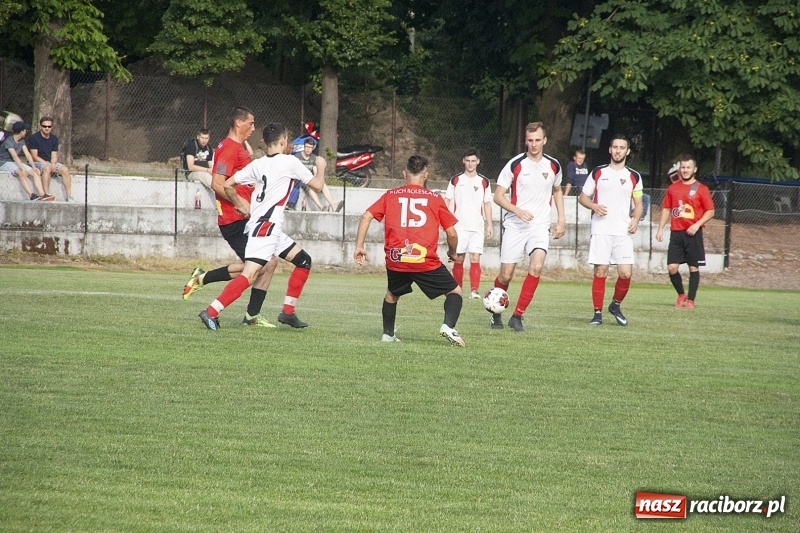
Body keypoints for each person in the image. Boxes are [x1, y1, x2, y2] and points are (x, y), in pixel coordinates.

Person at [198, 122, 324, 330]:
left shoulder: (258, 164)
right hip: (266, 228)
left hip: (267, 226)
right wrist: (321, 167)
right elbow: (318, 186)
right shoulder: (289, 162)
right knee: (250, 274)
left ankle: (287, 312)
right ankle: (211, 311)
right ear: (283, 141)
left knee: (303, 261)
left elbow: (228, 184)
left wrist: (238, 203)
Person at [183, 106, 282, 328]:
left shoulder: (235, 147)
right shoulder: (228, 148)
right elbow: (218, 183)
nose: (253, 128)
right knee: (264, 264)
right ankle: (238, 314)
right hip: (235, 220)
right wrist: (239, 203)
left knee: (265, 263)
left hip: (246, 219)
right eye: (251, 123)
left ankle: (204, 279)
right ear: (239, 123)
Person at [353, 154, 466, 347]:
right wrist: (452, 253)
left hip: (397, 259)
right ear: (425, 175)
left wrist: (359, 246)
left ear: (405, 174)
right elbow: (452, 233)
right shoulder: (435, 199)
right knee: (455, 291)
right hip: (424, 260)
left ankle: (387, 335)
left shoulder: (390, 195)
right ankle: (448, 326)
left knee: (391, 294)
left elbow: (366, 216)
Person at [490, 122, 566, 332]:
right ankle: (495, 311)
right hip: (515, 225)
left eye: (538, 140)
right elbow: (498, 196)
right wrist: (517, 210)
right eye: (530, 140)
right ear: (526, 140)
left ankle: (517, 316)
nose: (534, 144)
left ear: (545, 140)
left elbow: (557, 190)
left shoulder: (553, 165)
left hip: (540, 225)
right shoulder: (515, 164)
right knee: (506, 275)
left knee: (537, 266)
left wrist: (561, 219)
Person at [578, 134, 644, 326]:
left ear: (627, 151)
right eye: (615, 147)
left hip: (623, 231)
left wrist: (636, 220)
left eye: (622, 148)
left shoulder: (634, 176)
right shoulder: (598, 173)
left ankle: (615, 305)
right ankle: (597, 314)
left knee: (625, 273)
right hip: (601, 229)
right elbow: (583, 197)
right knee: (601, 270)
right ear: (609, 149)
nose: (618, 151)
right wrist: (594, 206)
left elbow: (638, 204)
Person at [656, 154, 715, 309]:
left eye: (688, 167)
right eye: (683, 167)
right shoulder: (673, 188)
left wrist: (697, 225)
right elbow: (666, 208)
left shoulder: (701, 189)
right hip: (676, 233)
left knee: (693, 267)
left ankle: (691, 300)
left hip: (693, 233)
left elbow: (710, 211)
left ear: (694, 169)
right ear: (679, 169)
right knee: (672, 267)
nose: (685, 170)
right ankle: (681, 294)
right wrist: (660, 228)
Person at [444, 147, 493, 300]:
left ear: (478, 162)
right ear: (463, 161)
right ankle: (458, 290)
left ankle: (474, 291)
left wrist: (489, 224)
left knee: (475, 258)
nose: (470, 164)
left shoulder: (484, 181)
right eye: (468, 161)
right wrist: (444, 221)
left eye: (473, 161)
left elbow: (487, 203)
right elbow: (447, 201)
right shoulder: (456, 180)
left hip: (477, 226)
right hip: (459, 227)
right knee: (458, 259)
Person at [0, 121, 50, 201]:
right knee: (21, 172)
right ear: (22, 131)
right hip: (4, 162)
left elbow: (27, 153)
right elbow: (15, 157)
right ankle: (31, 195)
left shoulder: (21, 141)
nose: (26, 131)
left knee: (35, 173)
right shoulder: (9, 141)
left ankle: (42, 194)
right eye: (25, 130)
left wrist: (34, 167)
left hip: (13, 162)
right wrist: (23, 169)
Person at [28, 116, 74, 201]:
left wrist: (53, 164)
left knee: (65, 169)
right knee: (47, 167)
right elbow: (34, 156)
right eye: (44, 126)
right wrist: (47, 164)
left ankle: (69, 196)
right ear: (41, 126)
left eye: (49, 126)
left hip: (49, 162)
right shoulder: (34, 138)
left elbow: (54, 155)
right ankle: (46, 194)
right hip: (37, 162)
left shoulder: (54, 139)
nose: (47, 128)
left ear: (51, 127)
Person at [291, 136, 341, 211]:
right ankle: (321, 207)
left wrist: (317, 181)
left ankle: (333, 205)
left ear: (313, 148)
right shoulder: (297, 156)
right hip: (299, 180)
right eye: (307, 147)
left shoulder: (314, 158)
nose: (308, 149)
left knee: (322, 184)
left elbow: (315, 172)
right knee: (309, 187)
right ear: (304, 147)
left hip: (310, 179)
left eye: (310, 148)